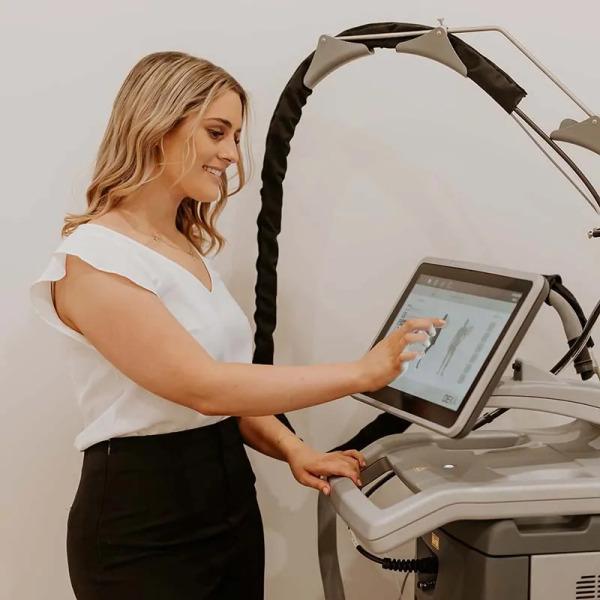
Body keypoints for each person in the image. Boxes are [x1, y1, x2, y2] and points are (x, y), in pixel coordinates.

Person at [30, 51, 444, 599]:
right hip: (141, 522)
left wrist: (293, 448)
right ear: (157, 126)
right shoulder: (94, 260)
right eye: (216, 132)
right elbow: (204, 387)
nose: (231, 154)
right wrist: (362, 374)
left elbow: (232, 389)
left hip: (227, 499)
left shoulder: (183, 248)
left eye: (235, 137)